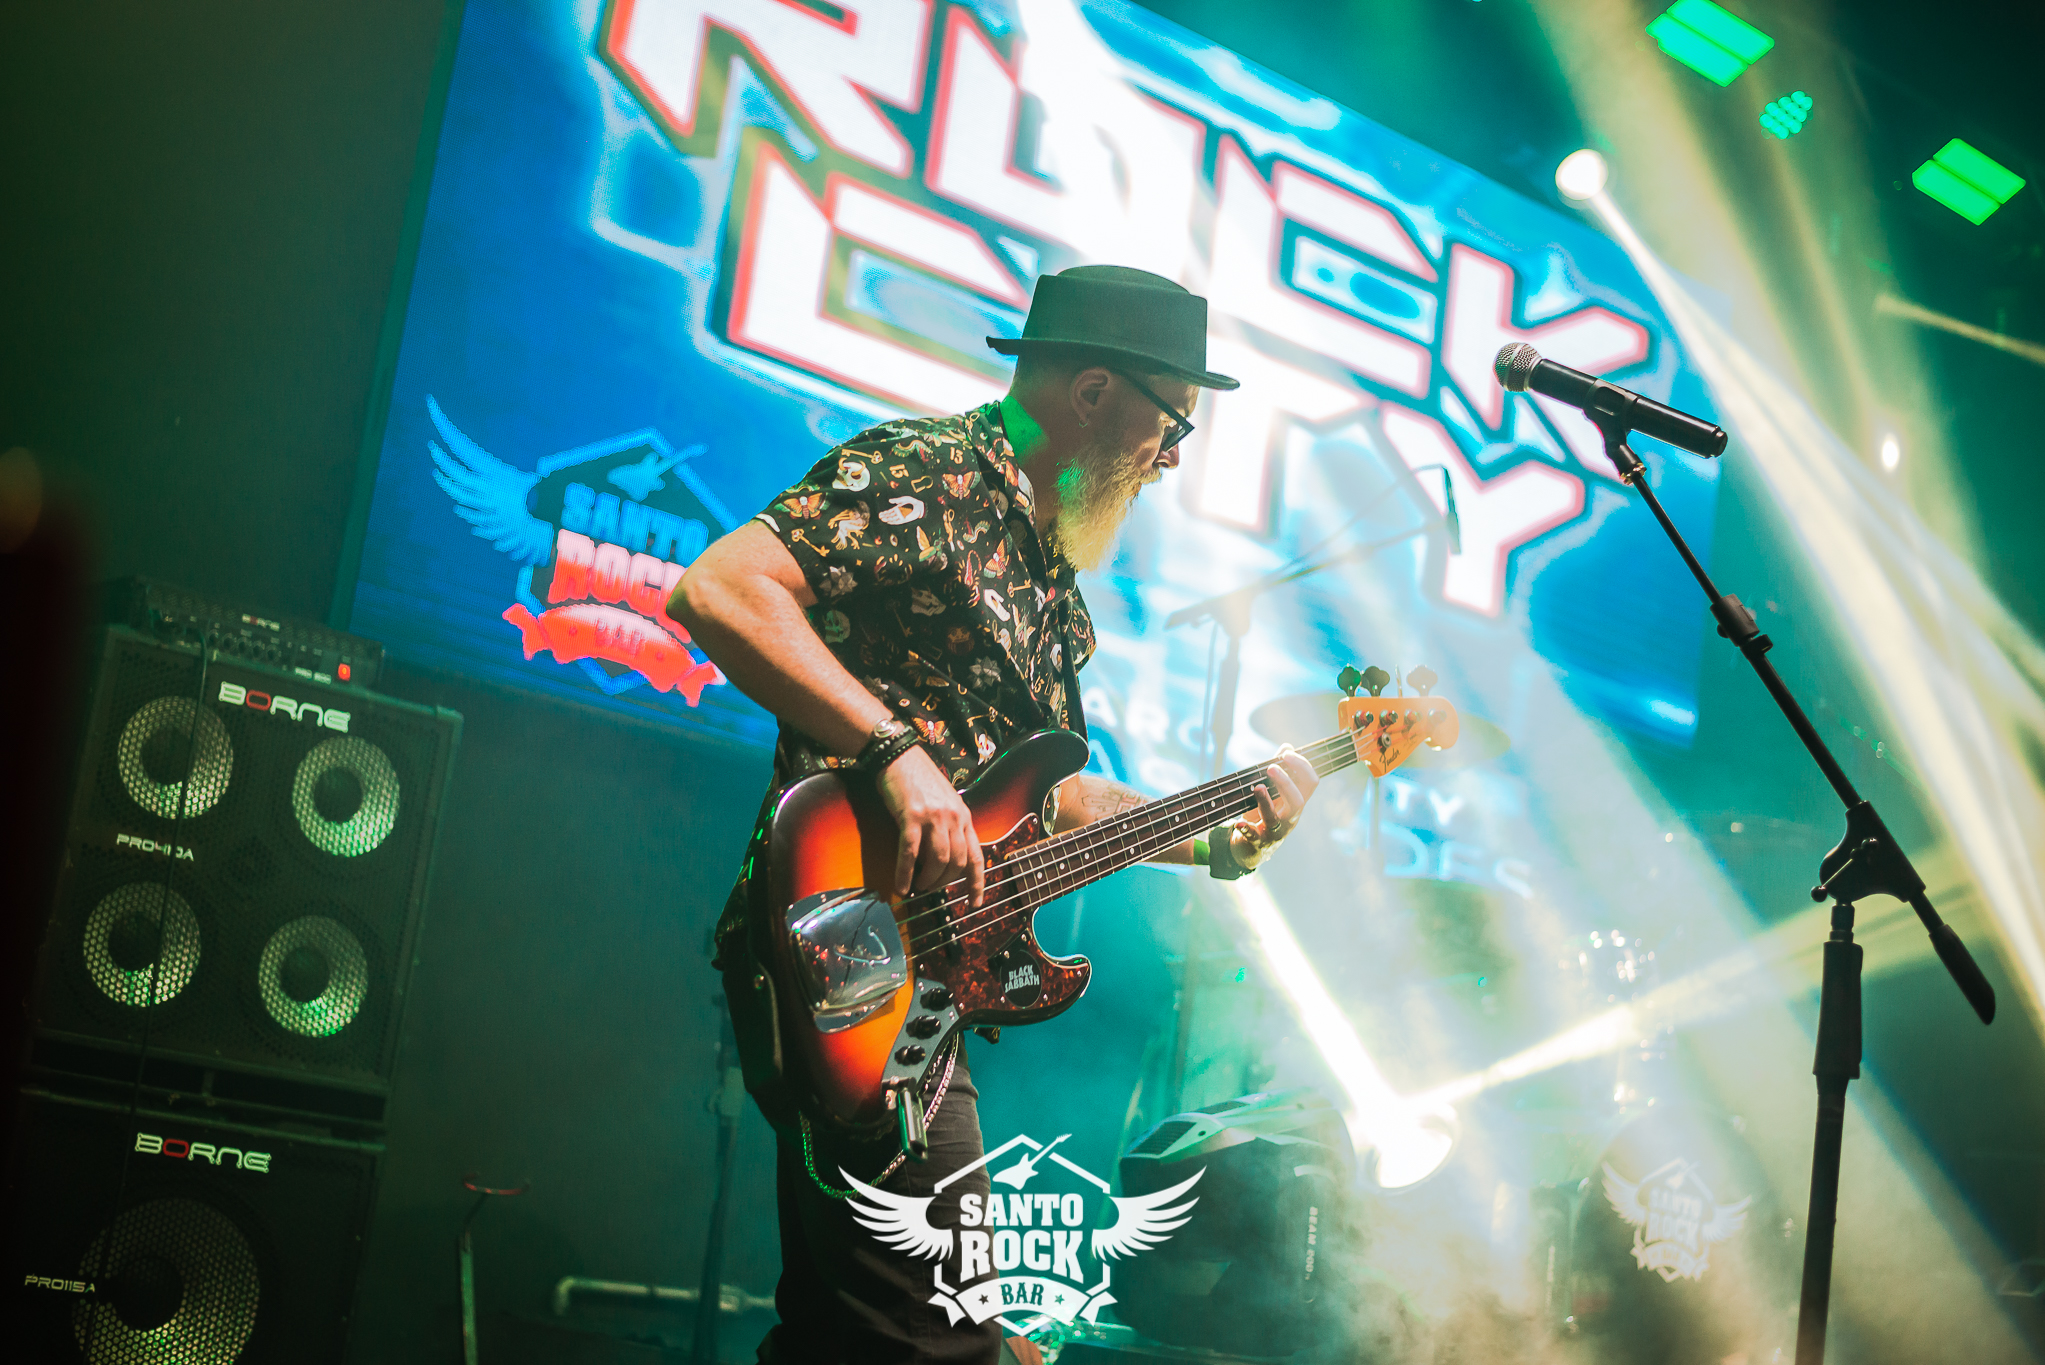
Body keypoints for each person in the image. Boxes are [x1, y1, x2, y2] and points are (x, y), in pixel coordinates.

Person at [670, 265, 1321, 1365]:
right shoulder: (928, 471)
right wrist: (892, 752)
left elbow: (1053, 800)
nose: (1172, 457)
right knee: (932, 1338)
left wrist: (1215, 832)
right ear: (1093, 393)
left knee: (859, 1335)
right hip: (848, 931)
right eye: (1172, 423)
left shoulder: (1052, 582)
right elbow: (722, 588)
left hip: (924, 975)